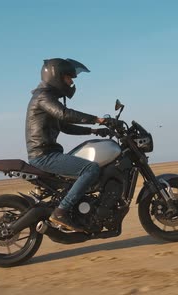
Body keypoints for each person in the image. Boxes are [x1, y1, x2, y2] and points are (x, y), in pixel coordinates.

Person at [26, 58, 110, 232]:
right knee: (91, 169)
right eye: (68, 78)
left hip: (48, 153)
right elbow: (64, 114)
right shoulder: (43, 96)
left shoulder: (45, 96)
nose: (71, 82)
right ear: (56, 77)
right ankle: (61, 211)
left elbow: (63, 126)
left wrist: (93, 132)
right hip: (44, 156)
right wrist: (97, 120)